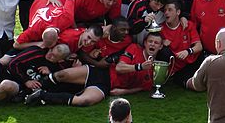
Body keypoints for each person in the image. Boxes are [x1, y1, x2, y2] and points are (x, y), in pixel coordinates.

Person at [24, 32, 162, 106]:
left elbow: (143, 87)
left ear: (160, 47)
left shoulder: (156, 69)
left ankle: (42, 97)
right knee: (62, 75)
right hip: (100, 73)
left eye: (156, 43)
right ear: (144, 43)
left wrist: (123, 91)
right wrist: (139, 67)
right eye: (150, 41)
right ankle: (28, 90)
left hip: (106, 86)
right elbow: (120, 68)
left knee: (84, 101)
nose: (152, 45)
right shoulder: (134, 49)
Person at [0, 43, 70, 106]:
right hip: (6, 73)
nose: (49, 55)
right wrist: (26, 80)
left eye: (54, 56)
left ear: (60, 60)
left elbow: (54, 88)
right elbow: (13, 64)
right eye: (51, 51)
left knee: (7, 85)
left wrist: (49, 75)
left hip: (15, 85)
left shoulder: (58, 70)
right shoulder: (37, 52)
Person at [15, 0, 85, 44]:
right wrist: (39, 44)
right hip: (39, 2)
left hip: (54, 0)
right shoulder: (34, 29)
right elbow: (16, 44)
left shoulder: (66, 17)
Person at [160, 0, 203, 87]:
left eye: (170, 10)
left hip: (192, 62)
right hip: (177, 67)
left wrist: (187, 51)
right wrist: (161, 43)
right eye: (165, 10)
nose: (166, 13)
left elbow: (199, 46)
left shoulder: (188, 25)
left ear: (178, 12)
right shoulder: (161, 29)